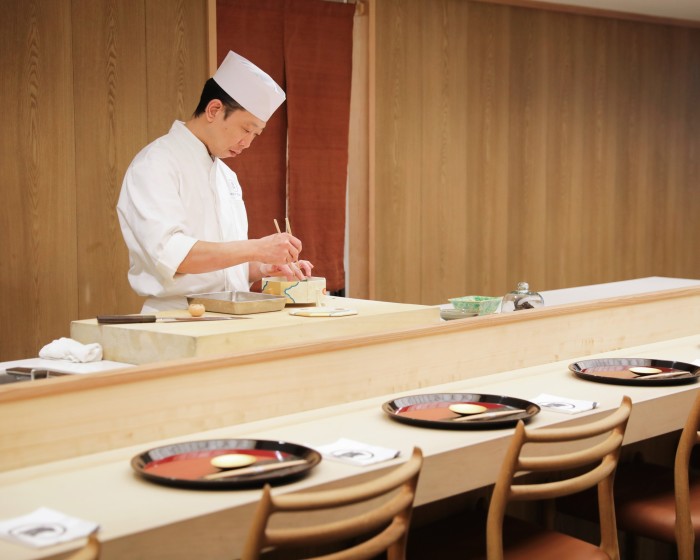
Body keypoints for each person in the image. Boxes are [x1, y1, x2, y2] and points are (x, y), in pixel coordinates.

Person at [117, 51, 312, 312]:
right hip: (177, 318)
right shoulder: (155, 164)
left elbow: (225, 269)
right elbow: (175, 256)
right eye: (246, 129)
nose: (247, 143)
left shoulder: (226, 176)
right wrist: (257, 248)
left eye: (256, 134)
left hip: (232, 315)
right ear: (214, 109)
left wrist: (265, 267)